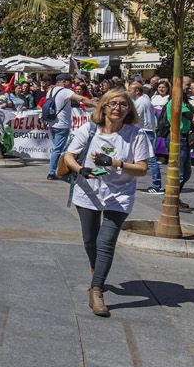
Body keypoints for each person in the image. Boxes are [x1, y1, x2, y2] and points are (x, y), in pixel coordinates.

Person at [61, 89, 152, 318]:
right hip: (88, 192)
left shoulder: (137, 135)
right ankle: (97, 270)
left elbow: (141, 169)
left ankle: (97, 290)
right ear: (103, 107)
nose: (117, 108)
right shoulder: (89, 129)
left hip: (119, 195)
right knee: (90, 240)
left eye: (122, 104)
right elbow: (69, 156)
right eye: (112, 103)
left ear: (129, 109)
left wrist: (115, 162)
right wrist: (82, 169)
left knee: (106, 242)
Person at [44, 72, 87, 180]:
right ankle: (54, 172)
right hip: (62, 125)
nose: (71, 84)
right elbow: (81, 99)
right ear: (64, 81)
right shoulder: (65, 91)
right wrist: (97, 104)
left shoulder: (51, 90)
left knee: (58, 148)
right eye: (70, 82)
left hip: (52, 123)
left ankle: (58, 170)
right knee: (60, 150)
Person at [128, 79, 163, 193]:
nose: (128, 93)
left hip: (145, 132)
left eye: (130, 90)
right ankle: (127, 180)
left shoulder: (140, 103)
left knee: (151, 159)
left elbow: (134, 119)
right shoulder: (145, 98)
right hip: (146, 130)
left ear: (137, 91)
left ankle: (156, 185)